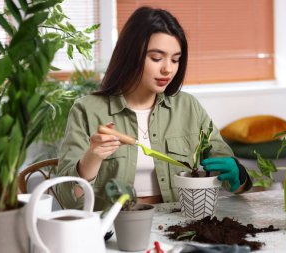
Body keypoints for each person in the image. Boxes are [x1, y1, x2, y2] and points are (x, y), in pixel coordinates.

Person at [56, 6, 252, 211]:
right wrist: (92, 158)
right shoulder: (87, 110)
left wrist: (238, 174)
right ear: (131, 54)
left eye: (175, 60)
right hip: (115, 230)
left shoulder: (188, 107)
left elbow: (236, 185)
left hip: (179, 226)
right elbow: (67, 200)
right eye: (157, 58)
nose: (168, 69)